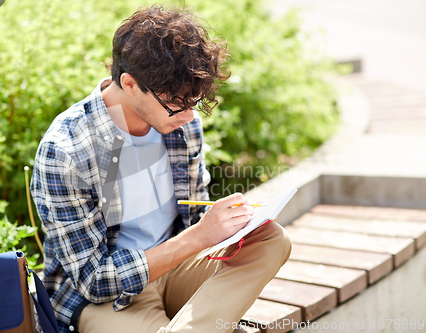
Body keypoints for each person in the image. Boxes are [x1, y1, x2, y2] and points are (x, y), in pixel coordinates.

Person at [31, 5, 291, 333]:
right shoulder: (67, 150)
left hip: (177, 270)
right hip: (108, 299)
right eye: (176, 104)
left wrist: (233, 223)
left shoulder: (182, 123)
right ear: (128, 83)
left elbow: (194, 218)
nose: (188, 114)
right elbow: (93, 281)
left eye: (193, 103)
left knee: (272, 239)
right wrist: (199, 236)